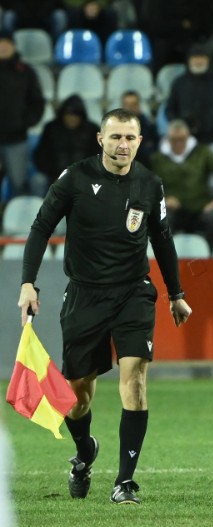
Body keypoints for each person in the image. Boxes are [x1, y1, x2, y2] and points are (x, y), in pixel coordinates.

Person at [17, 108, 192, 505]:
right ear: (100, 139)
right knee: (78, 396)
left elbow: (162, 240)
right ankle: (83, 454)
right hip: (85, 295)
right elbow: (41, 227)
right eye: (115, 137)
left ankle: (125, 481)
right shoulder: (75, 178)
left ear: (140, 141)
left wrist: (176, 294)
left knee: (135, 381)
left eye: (130, 138)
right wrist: (28, 282)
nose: (122, 145)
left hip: (133, 293)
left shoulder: (149, 184)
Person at [150, 119, 213, 244]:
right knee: (162, 217)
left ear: (187, 137)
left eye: (182, 139)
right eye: (174, 140)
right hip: (173, 207)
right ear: (168, 139)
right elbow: (149, 184)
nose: (178, 143)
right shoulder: (157, 159)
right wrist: (163, 199)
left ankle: (212, 256)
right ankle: (166, 257)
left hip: (202, 205)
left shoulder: (202, 152)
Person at [0, 29, 44, 201]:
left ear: (13, 46)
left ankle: (15, 221)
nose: (3, 47)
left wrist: (26, 122)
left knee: (18, 184)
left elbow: (37, 101)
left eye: (7, 43)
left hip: (16, 139)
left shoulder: (25, 72)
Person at [165, 44, 213, 143]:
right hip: (184, 141)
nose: (198, 61)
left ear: (208, 60)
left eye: (202, 57)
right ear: (189, 60)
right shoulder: (179, 83)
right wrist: (180, 125)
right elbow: (170, 109)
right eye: (195, 58)